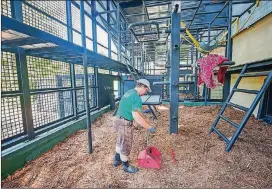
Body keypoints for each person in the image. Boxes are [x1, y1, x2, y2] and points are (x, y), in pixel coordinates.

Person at [112, 79, 155, 173]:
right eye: (146, 90)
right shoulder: (137, 98)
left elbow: (132, 110)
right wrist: (149, 127)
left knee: (120, 140)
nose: (145, 92)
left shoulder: (129, 92)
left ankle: (116, 160)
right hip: (124, 123)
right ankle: (125, 166)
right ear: (143, 87)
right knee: (126, 144)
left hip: (118, 119)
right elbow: (136, 116)